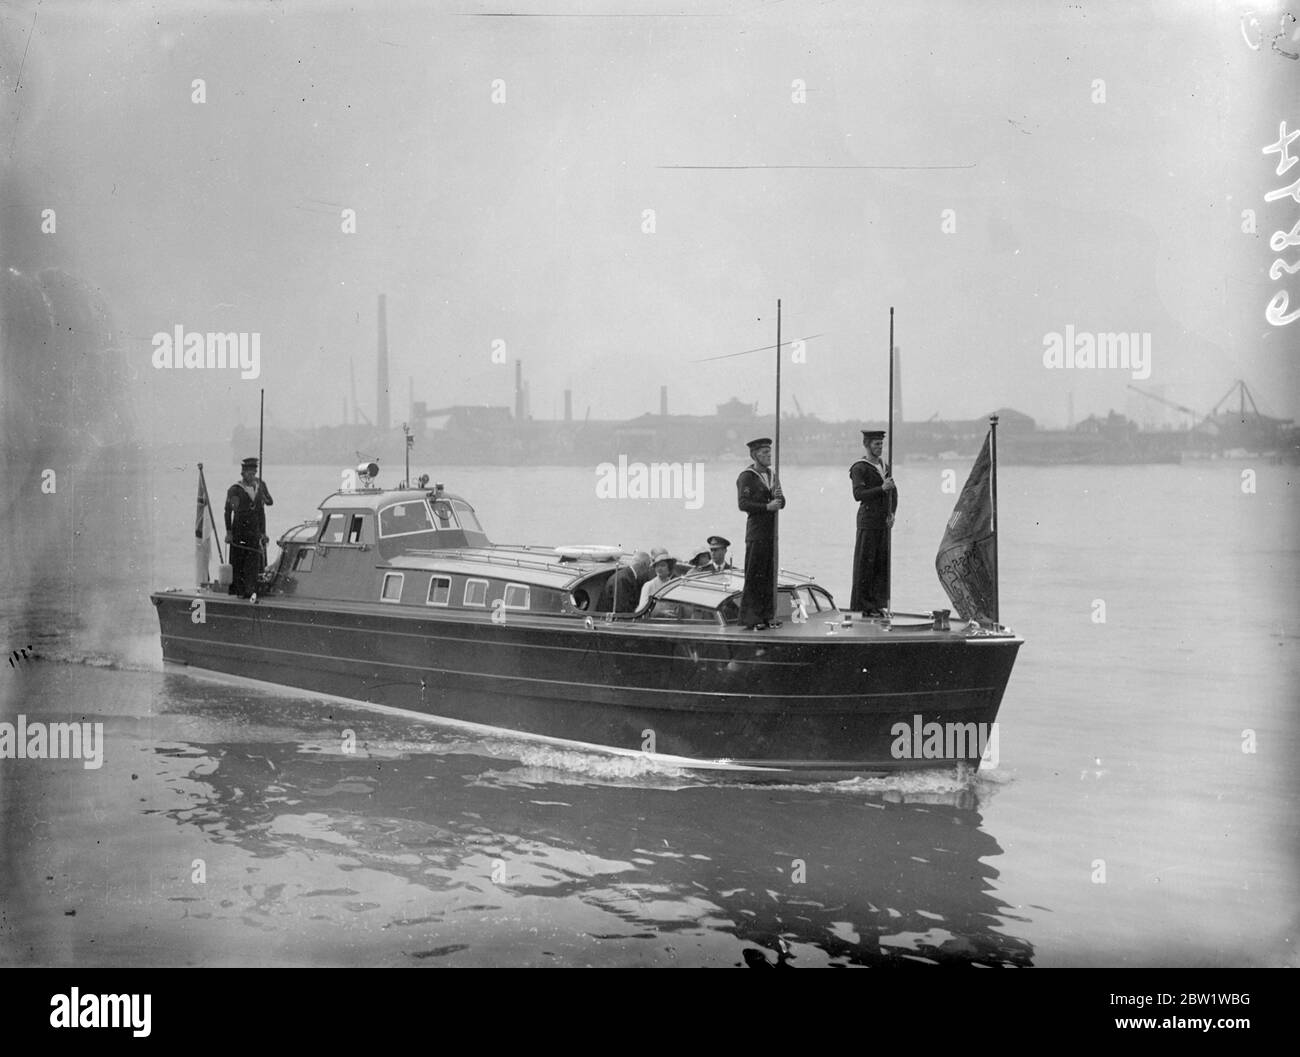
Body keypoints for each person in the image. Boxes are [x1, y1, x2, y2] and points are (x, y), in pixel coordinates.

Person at [736, 438, 784, 629]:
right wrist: (767, 506)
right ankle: (751, 618)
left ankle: (767, 615)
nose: (768, 456)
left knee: (768, 575)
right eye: (764, 453)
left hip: (771, 532)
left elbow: (782, 500)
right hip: (756, 531)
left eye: (769, 452)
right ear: (755, 455)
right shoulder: (747, 476)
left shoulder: (772, 475)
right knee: (755, 575)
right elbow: (743, 504)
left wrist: (779, 500)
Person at [849, 429, 897, 617]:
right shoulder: (859, 468)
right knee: (866, 564)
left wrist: (892, 513)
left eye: (881, 444)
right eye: (876, 444)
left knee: (881, 564)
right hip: (868, 521)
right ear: (867, 445)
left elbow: (894, 491)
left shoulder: (884, 466)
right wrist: (881, 488)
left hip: (883, 521)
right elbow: (858, 495)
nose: (880, 447)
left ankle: (878, 603)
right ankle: (865, 606)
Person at [225, 456, 274, 598]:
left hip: (254, 529)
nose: (252, 476)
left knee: (253, 561)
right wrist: (229, 532)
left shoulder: (260, 486)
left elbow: (265, 507)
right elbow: (228, 511)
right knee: (239, 560)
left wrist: (263, 532)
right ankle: (240, 591)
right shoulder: (235, 490)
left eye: (254, 473)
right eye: (249, 473)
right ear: (243, 473)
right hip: (240, 529)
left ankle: (251, 589)